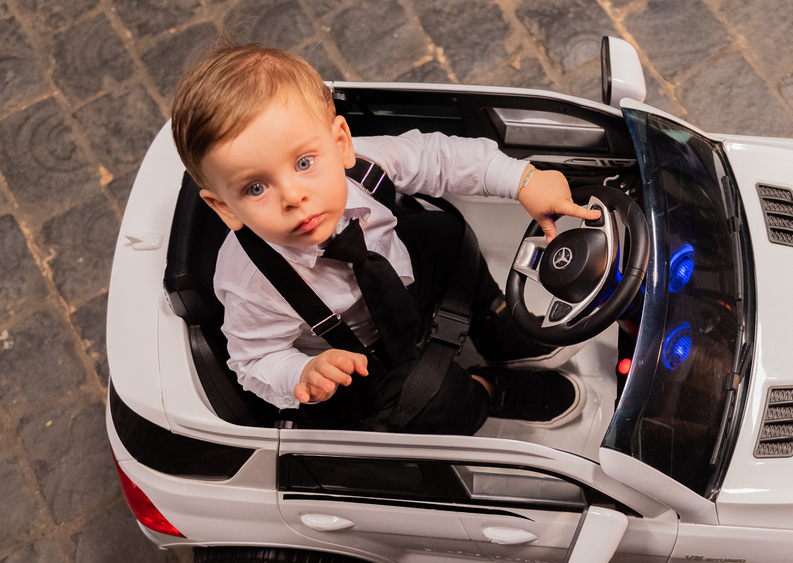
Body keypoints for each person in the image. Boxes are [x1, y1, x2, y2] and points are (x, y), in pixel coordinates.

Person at [170, 42, 598, 434]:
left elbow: (437, 157)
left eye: (303, 163)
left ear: (340, 143)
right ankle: (488, 390)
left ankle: (498, 331)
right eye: (256, 188)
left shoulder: (363, 164)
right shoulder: (251, 283)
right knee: (429, 404)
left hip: (399, 281)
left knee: (446, 235)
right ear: (225, 207)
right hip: (354, 356)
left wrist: (522, 179)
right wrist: (302, 372)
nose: (293, 197)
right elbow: (254, 360)